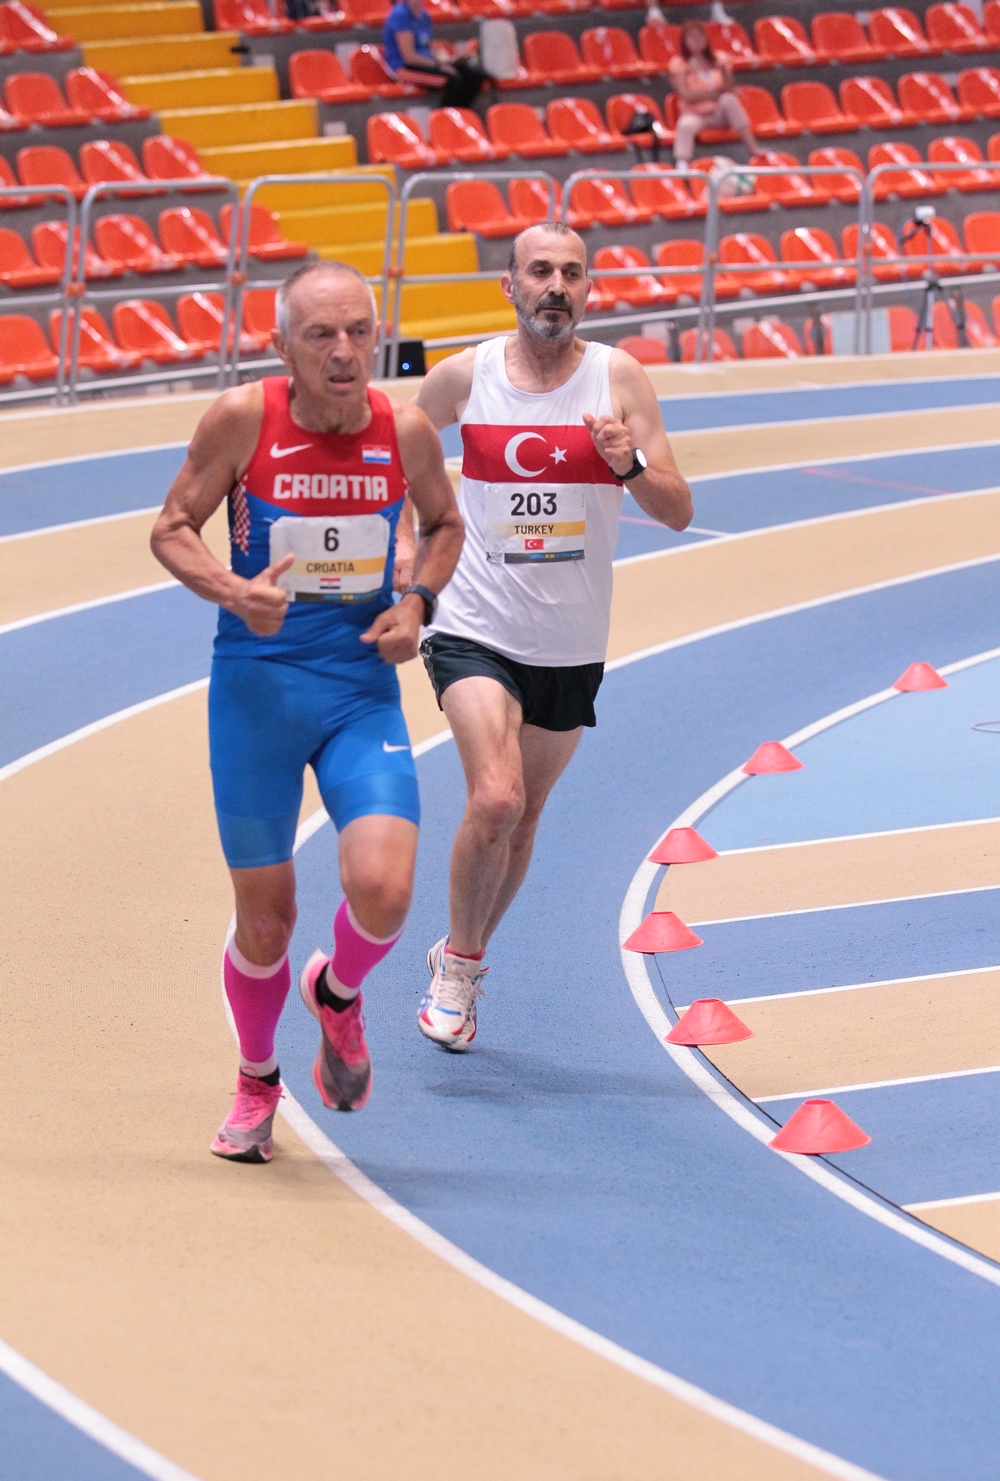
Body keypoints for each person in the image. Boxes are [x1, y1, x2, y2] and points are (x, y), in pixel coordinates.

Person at [151, 261, 464, 1163]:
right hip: (256, 692)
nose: (344, 351)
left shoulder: (404, 432)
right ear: (281, 346)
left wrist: (418, 605)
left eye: (359, 331)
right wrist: (232, 589)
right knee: (266, 921)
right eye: (321, 334)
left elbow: (444, 526)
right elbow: (172, 525)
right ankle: (257, 1080)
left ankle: (337, 993)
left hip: (359, 689)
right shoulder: (243, 419)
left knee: (385, 889)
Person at [408, 222, 693, 1051]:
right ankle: (459, 972)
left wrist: (628, 466)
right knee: (495, 798)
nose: (556, 286)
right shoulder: (464, 376)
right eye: (540, 271)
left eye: (571, 273)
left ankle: (462, 950)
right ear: (511, 286)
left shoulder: (618, 378)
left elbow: (679, 511)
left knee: (524, 818)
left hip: (570, 640)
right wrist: (408, 552)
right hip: (473, 624)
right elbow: (394, 456)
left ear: (589, 289)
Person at [669, 23, 759, 171]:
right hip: (695, 113)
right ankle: (682, 165)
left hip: (718, 113)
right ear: (684, 42)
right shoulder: (679, 63)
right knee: (685, 124)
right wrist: (716, 94)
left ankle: (753, 148)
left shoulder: (720, 59)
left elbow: (729, 89)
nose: (696, 41)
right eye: (691, 37)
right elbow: (687, 95)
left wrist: (723, 71)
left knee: (729, 100)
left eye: (699, 36)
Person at [382, 0, 490, 110]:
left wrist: (445, 60)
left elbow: (427, 46)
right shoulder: (401, 15)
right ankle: (443, 117)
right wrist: (438, 66)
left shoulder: (423, 14)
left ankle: (460, 113)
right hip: (403, 68)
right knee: (453, 80)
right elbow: (409, 57)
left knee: (474, 75)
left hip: (426, 63)